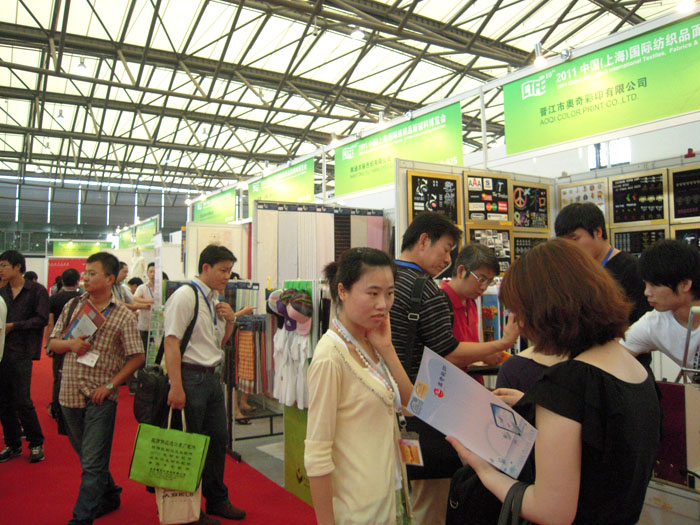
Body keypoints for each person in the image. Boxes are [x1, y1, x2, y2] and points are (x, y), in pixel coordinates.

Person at [448, 238, 661, 524]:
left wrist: (483, 469)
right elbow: (601, 436)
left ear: (546, 310)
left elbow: (550, 509)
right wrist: (534, 405)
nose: (519, 324)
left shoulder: (567, 383)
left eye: (520, 312)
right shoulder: (633, 368)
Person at [389, 213, 508, 522]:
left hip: (381, 399)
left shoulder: (382, 278)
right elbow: (449, 353)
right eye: (445, 249)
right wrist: (503, 343)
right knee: (431, 503)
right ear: (423, 240)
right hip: (419, 405)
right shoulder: (426, 289)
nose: (447, 259)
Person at [305, 247, 413, 524]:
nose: (383, 304)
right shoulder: (330, 357)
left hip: (390, 496)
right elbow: (317, 454)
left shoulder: (372, 343)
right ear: (343, 291)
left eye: (389, 293)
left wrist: (387, 349)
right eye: (373, 293)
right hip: (357, 510)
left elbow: (412, 405)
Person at [48, 252, 144, 525]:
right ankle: (110, 494)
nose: (86, 278)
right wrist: (71, 345)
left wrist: (111, 385)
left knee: (91, 462)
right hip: (68, 393)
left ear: (110, 279)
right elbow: (52, 344)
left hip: (100, 396)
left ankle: (81, 519)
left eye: (92, 273)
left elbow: (137, 356)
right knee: (90, 457)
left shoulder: (123, 315)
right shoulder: (72, 306)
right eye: (85, 273)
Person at [164, 245, 253, 524]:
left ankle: (217, 499)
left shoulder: (215, 299)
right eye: (223, 270)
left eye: (229, 270)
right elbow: (171, 342)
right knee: (189, 444)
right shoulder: (185, 296)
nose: (227, 276)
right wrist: (176, 386)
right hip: (190, 378)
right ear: (206, 268)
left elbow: (218, 343)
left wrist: (230, 321)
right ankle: (188, 509)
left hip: (213, 378)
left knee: (216, 441)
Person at [555, 202, 652, 364]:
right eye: (564, 242)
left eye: (575, 239)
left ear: (598, 232)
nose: (570, 247)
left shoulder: (631, 269)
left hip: (626, 364)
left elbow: (643, 328)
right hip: (583, 363)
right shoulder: (575, 272)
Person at [621, 239, 700, 371]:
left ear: (685, 284)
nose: (646, 292)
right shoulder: (653, 324)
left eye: (654, 285)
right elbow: (617, 356)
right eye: (646, 284)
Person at [0, 250, 49, 463]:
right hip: (1, 351)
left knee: (22, 400)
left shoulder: (36, 291)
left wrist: (14, 326)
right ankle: (12, 444)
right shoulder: (2, 291)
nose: (1, 270)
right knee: (3, 401)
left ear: (18, 266)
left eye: (4, 265)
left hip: (22, 351)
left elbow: (41, 319)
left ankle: (36, 443)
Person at [440, 245, 520, 373]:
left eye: (489, 282)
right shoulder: (440, 301)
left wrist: (484, 354)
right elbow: (447, 355)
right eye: (481, 279)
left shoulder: (471, 301)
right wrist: (502, 344)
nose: (484, 287)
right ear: (461, 271)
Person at [45, 268, 82, 433]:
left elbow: (50, 323)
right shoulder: (82, 299)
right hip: (79, 342)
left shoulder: (54, 298)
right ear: (78, 281)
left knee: (58, 376)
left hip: (59, 342)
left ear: (62, 281)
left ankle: (56, 409)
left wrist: (48, 344)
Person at [133, 262, 157, 351]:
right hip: (144, 326)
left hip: (158, 327)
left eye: (155, 272)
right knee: (144, 351)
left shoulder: (161, 288)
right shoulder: (142, 287)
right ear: (147, 273)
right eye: (150, 272)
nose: (153, 274)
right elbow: (135, 299)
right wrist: (151, 301)